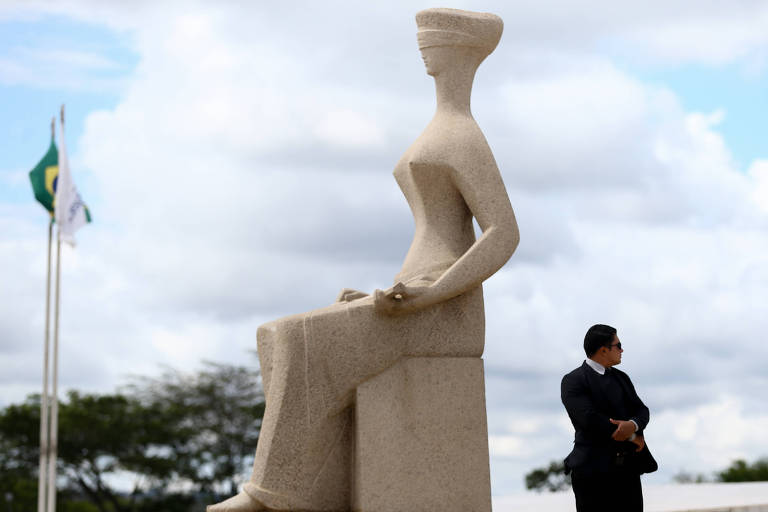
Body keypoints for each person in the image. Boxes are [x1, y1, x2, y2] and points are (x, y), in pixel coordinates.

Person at [209, 8, 519, 512]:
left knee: (295, 338)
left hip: (445, 310)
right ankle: (318, 493)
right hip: (413, 292)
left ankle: (270, 495)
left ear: (461, 50)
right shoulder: (440, 129)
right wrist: (391, 290)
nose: (423, 46)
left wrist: (431, 295)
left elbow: (504, 234)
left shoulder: (464, 135)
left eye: (433, 39)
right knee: (272, 337)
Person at [561, 324, 650, 512]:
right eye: (618, 345)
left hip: (627, 472)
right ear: (603, 349)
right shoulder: (573, 380)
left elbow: (642, 411)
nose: (622, 350)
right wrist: (632, 436)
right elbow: (589, 420)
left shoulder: (622, 378)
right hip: (592, 473)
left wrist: (633, 425)